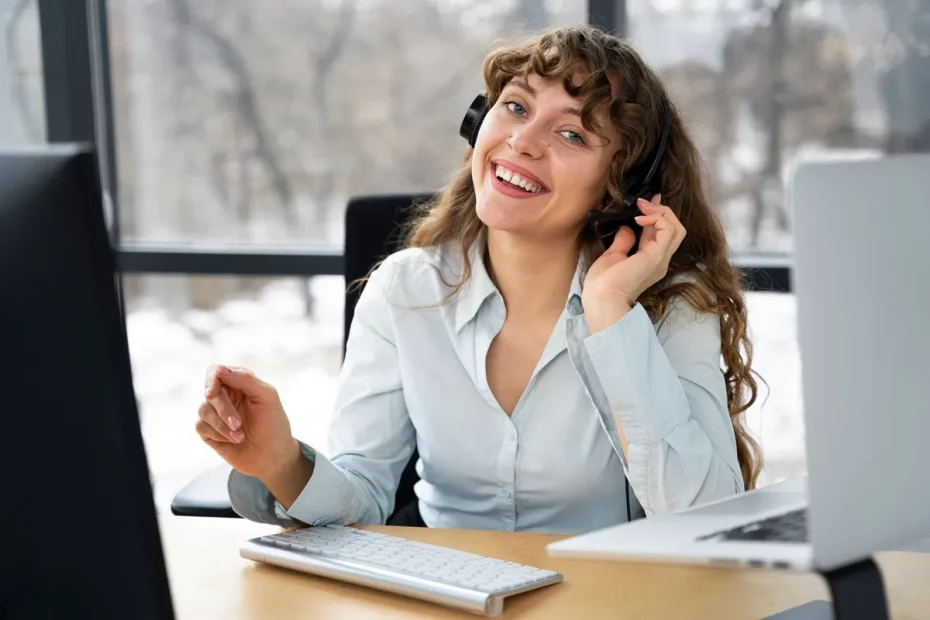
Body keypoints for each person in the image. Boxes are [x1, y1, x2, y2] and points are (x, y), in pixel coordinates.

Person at [195, 25, 762, 534]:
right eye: (516, 108)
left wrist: (611, 309)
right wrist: (280, 463)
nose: (523, 140)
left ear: (624, 187)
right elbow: (362, 499)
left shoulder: (674, 306)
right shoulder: (404, 291)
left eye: (572, 136)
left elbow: (704, 522)